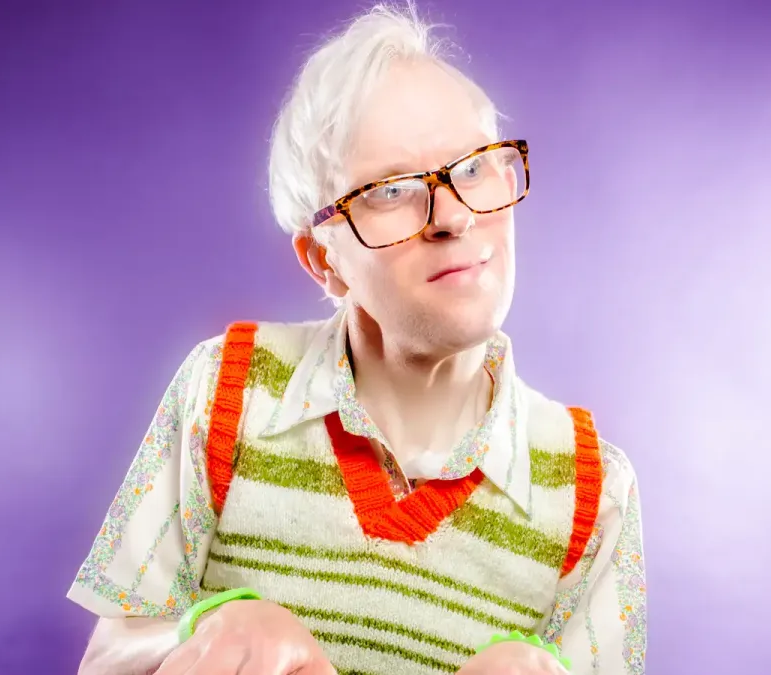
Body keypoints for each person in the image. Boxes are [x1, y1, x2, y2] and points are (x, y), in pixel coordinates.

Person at [67, 3, 646, 674]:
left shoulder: (596, 492)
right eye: (393, 189)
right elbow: (108, 657)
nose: (454, 216)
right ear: (323, 260)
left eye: (475, 168)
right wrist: (210, 626)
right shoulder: (226, 388)